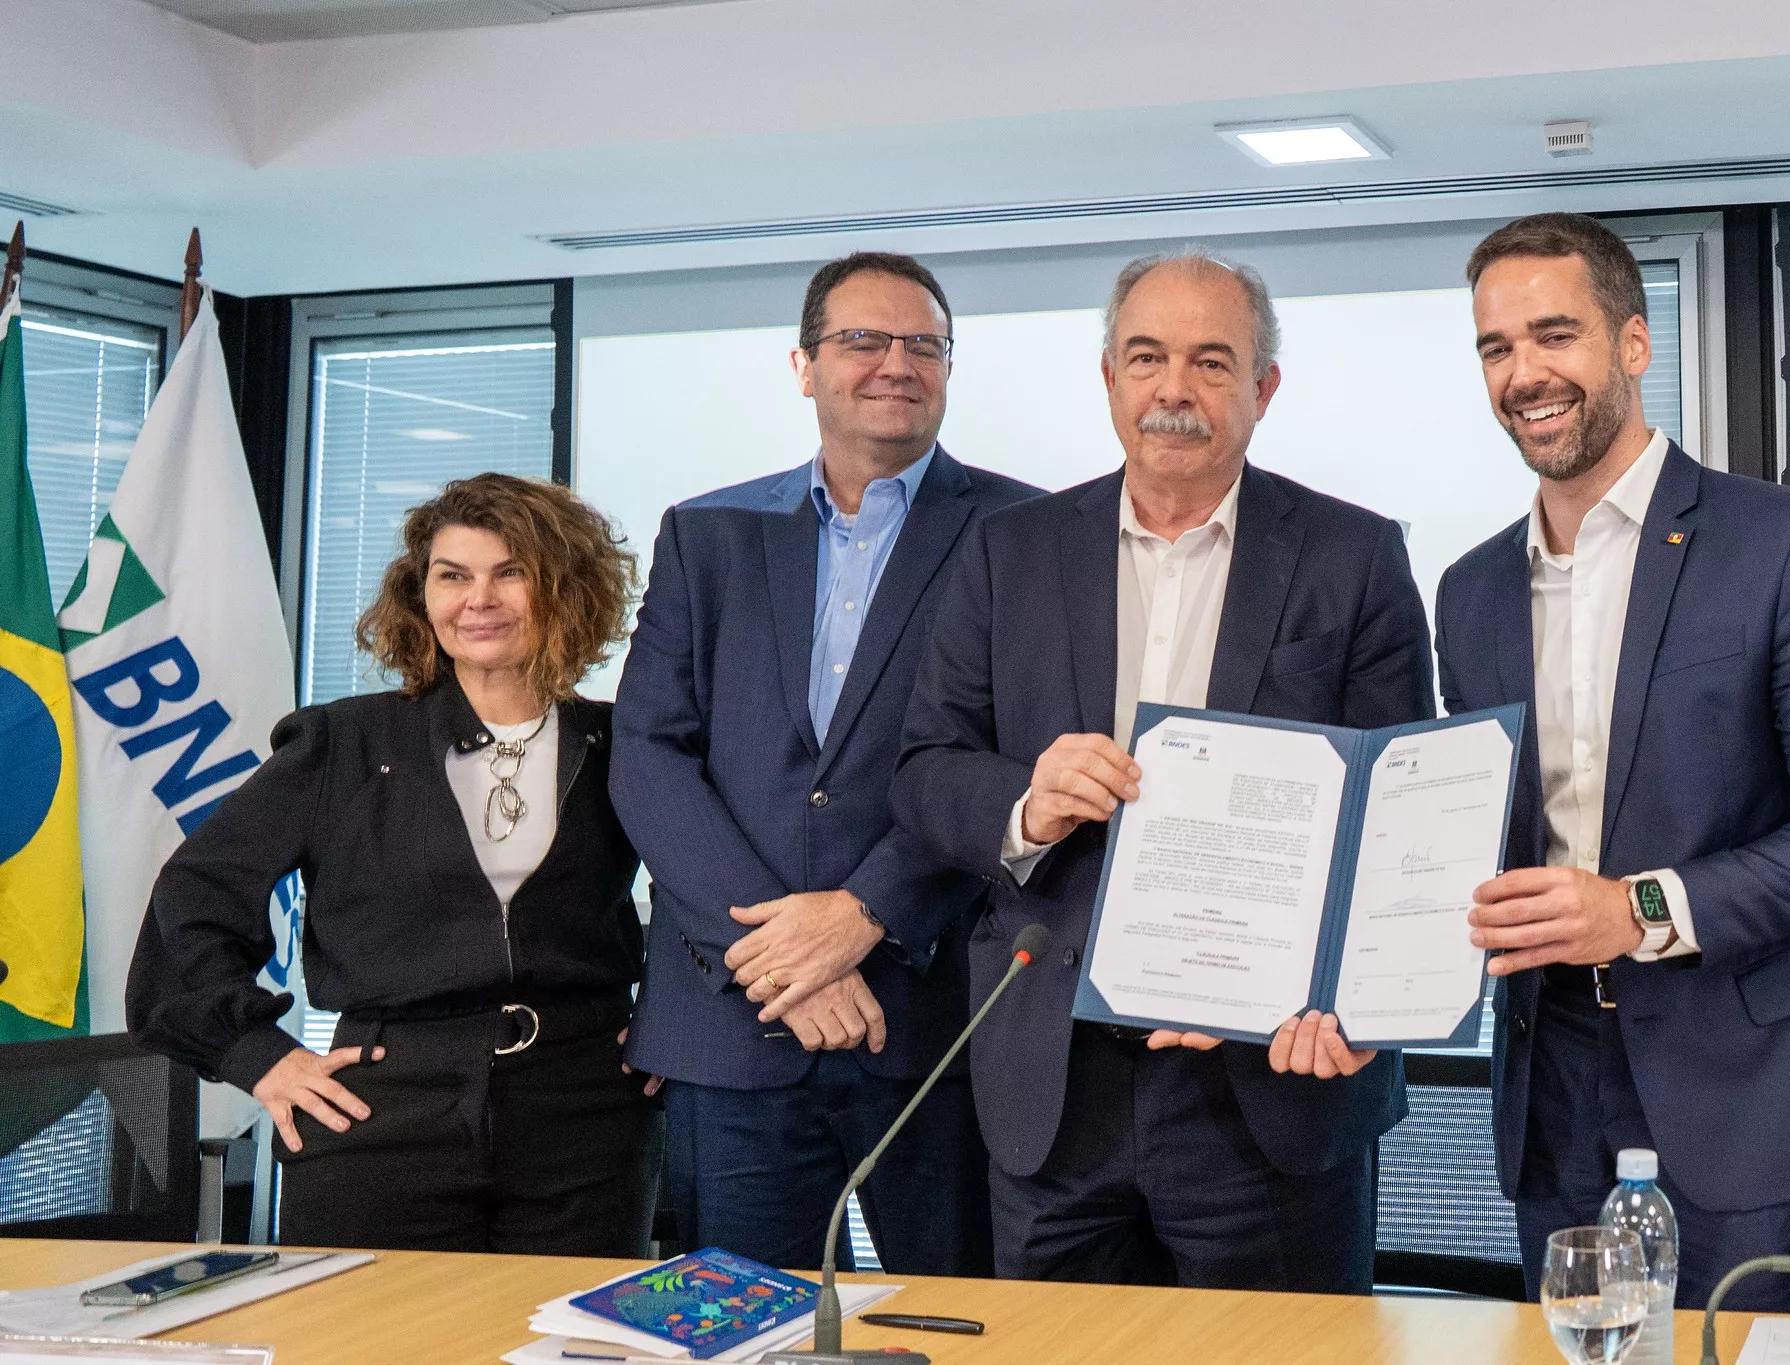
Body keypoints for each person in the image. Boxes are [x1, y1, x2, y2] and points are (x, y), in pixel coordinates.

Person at [892, 251, 1434, 1292]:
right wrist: (1024, 803)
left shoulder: (1349, 556)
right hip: (1053, 1078)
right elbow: (922, 770)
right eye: (1145, 358)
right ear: (1107, 378)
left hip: (1268, 1084)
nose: (1172, 390)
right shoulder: (1010, 552)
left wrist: (1352, 1000)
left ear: (1262, 388)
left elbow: (1398, 818)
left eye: (1209, 362)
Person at [1436, 212, 1790, 1311]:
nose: (1524, 374)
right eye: (1494, 347)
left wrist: (1638, 909)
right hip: (1550, 1074)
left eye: (1554, 335)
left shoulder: (1786, 540)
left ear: (1633, 345)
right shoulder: (1467, 592)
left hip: (1747, 1082)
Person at [612, 251, 1039, 1275]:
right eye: (863, 340)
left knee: (959, 1331)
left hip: (932, 1017)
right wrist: (776, 959)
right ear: (803, 365)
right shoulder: (706, 532)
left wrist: (862, 917)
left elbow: (1011, 764)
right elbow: (647, 754)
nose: (895, 363)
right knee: (738, 1332)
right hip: (735, 1018)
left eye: (923, 346)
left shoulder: (1026, 534)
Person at [127, 474, 659, 1254]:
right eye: (453, 575)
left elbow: (711, 886)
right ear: (421, 595)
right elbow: (195, 895)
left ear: (564, 591)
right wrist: (257, 1055)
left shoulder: (625, 743)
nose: (479, 599)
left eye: (510, 572)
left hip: (586, 1111)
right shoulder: (343, 743)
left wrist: (675, 1026)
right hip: (380, 1108)